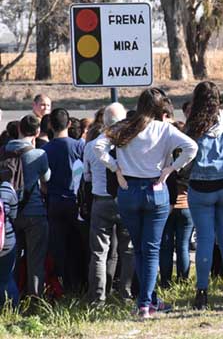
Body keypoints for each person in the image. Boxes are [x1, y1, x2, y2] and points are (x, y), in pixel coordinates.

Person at [94, 88, 198, 318]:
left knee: (139, 248)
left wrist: (116, 168)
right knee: (151, 250)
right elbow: (192, 147)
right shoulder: (164, 129)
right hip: (156, 189)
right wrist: (172, 168)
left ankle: (147, 300)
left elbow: (97, 146)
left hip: (128, 191)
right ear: (158, 107)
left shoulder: (124, 127)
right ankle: (145, 303)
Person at [184, 82, 223, 309]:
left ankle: (201, 293)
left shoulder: (193, 125)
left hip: (200, 187)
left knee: (205, 240)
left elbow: (185, 155)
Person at [85, 103, 134, 304]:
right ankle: (126, 294)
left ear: (103, 122)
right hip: (124, 199)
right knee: (128, 249)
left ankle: (98, 298)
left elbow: (86, 177)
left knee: (99, 252)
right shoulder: (130, 144)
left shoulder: (91, 146)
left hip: (101, 200)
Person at [41, 108, 85, 292]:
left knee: (59, 246)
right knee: (78, 244)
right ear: (68, 124)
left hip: (55, 202)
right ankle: (79, 284)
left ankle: (61, 286)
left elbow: (43, 181)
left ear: (50, 125)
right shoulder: (79, 146)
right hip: (75, 202)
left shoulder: (45, 150)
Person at [7, 115, 51, 300]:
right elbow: (46, 179)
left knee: (11, 259)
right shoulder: (38, 154)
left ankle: (11, 297)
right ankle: (35, 298)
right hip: (34, 212)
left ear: (19, 129)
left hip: (10, 212)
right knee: (36, 259)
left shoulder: (4, 150)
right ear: (37, 132)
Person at [160, 120, 194, 289]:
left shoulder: (166, 156)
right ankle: (183, 280)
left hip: (167, 204)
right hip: (186, 205)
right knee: (183, 245)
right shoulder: (189, 158)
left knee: (165, 246)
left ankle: (165, 281)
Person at [0, 162, 19, 307]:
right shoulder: (8, 188)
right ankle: (12, 309)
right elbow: (13, 214)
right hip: (6, 239)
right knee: (7, 278)